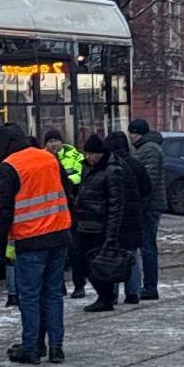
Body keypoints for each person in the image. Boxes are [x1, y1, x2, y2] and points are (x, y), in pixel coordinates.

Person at [0, 122, 72, 364]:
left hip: (31, 240)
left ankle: (31, 348)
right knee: (53, 294)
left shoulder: (10, 167)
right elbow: (68, 192)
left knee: (29, 297)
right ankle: (56, 348)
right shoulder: (49, 159)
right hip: (59, 236)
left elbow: (1, 212)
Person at [75, 134, 125, 313]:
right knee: (83, 262)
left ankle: (105, 297)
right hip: (84, 223)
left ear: (100, 154)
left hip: (100, 226)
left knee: (99, 264)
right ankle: (104, 296)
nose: (88, 157)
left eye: (91, 154)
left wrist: (111, 234)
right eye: (86, 153)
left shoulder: (112, 171)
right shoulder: (87, 168)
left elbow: (116, 204)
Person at [106, 130, 151, 305]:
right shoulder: (136, 164)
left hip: (115, 217)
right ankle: (133, 292)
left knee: (113, 255)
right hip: (134, 216)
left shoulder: (110, 166)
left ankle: (112, 293)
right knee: (131, 254)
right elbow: (147, 189)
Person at [44, 127, 87, 299]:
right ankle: (59, 286)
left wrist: (65, 182)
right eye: (50, 141)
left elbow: (80, 175)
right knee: (56, 254)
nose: (54, 144)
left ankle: (79, 286)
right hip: (51, 213)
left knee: (75, 251)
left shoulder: (75, 156)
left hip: (71, 210)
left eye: (56, 140)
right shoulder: (42, 158)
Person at [127, 118, 166, 300]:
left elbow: (149, 181)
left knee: (148, 246)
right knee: (146, 246)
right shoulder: (142, 148)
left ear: (141, 133)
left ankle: (150, 287)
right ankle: (148, 286)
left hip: (149, 206)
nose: (131, 136)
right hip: (147, 205)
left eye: (134, 133)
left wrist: (140, 206)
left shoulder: (149, 149)